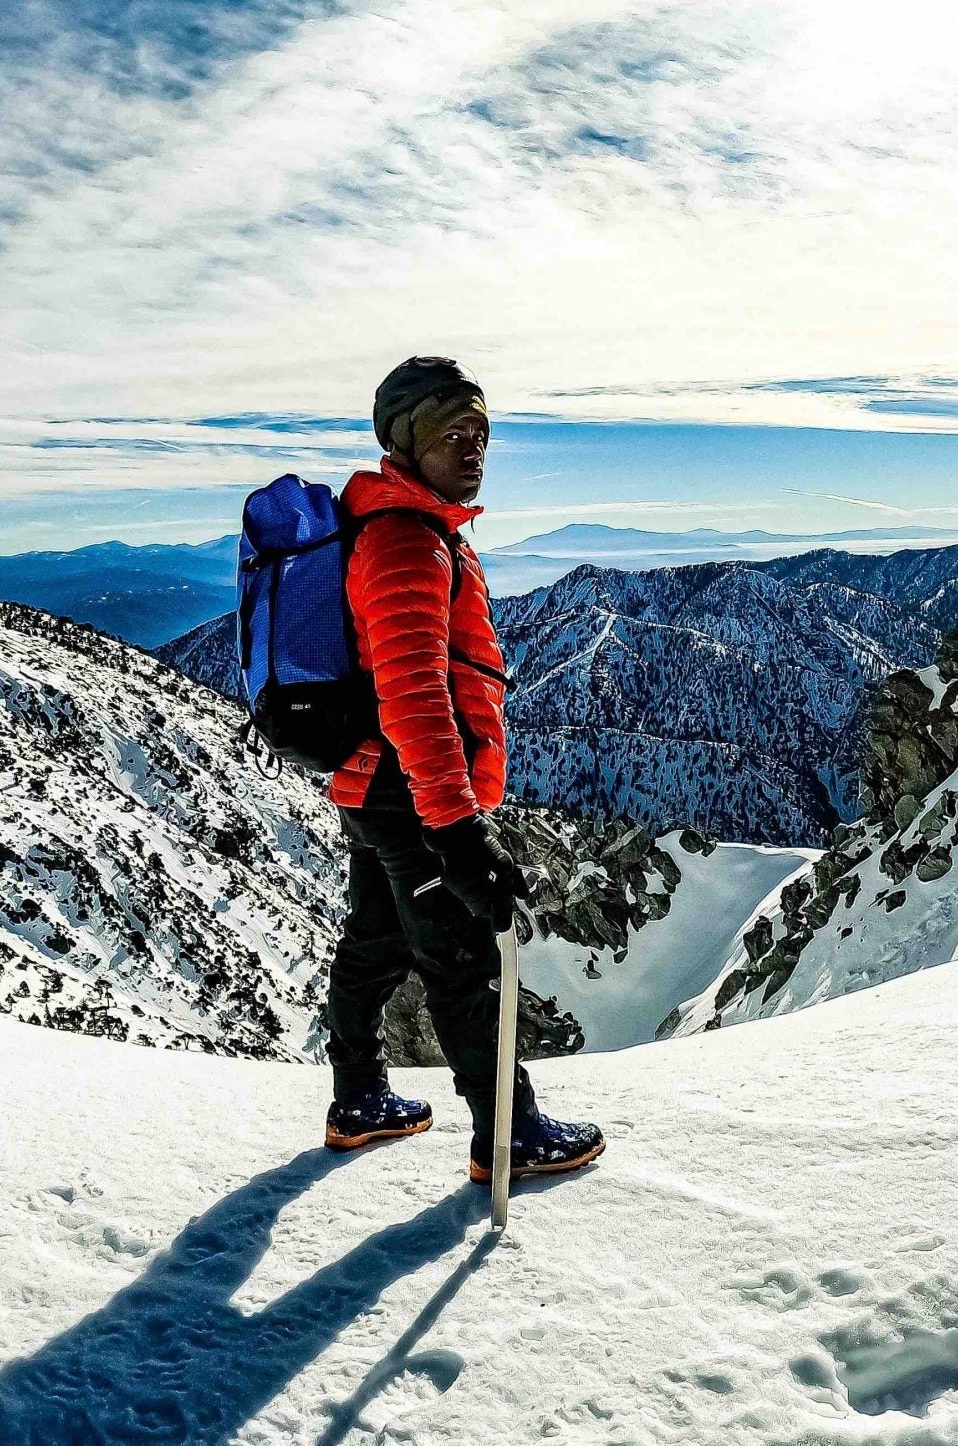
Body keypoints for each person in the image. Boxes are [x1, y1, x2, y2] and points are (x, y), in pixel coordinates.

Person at [318, 356, 605, 1184]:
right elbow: (415, 693)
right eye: (453, 433)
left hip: (376, 783)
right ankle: (507, 1134)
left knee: (374, 942)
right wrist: (457, 825)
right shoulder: (407, 540)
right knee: (463, 959)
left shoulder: (411, 527)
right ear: (408, 444)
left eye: (481, 432)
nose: (474, 448)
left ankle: (359, 1098)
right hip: (412, 790)